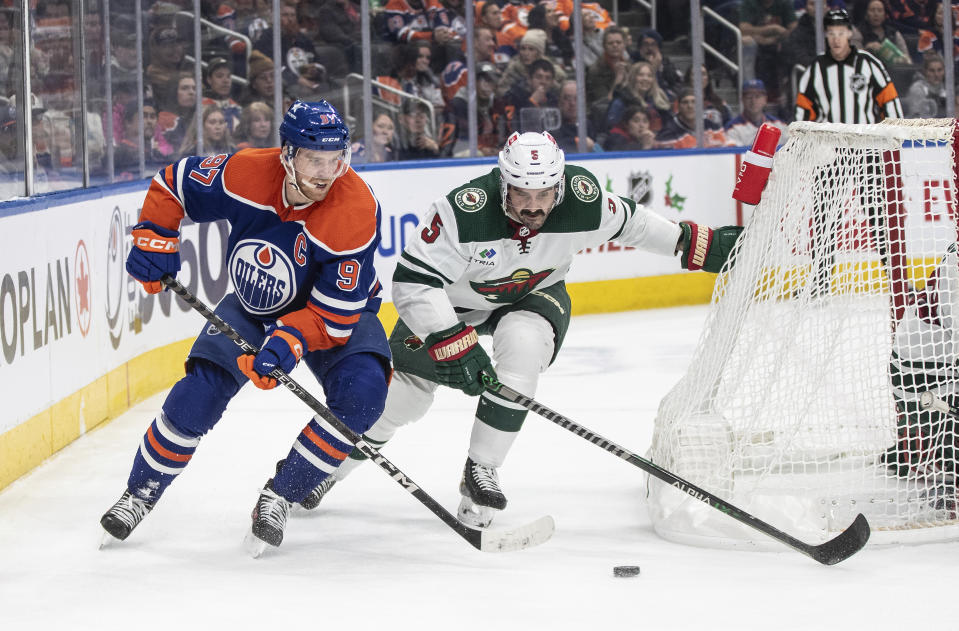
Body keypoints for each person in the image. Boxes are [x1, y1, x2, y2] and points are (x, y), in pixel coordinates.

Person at [292, 130, 743, 528]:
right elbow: (412, 284)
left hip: (532, 294)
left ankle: (480, 474)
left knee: (523, 349)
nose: (532, 206)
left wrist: (693, 245)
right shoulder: (463, 211)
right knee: (401, 400)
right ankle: (327, 472)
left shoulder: (582, 201)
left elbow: (636, 225)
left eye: (543, 194)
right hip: (453, 304)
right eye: (521, 193)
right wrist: (451, 342)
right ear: (503, 183)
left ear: (559, 186)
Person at [99, 100, 391, 552]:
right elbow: (174, 183)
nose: (326, 172)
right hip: (256, 303)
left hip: (335, 314)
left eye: (336, 160)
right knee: (200, 391)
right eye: (315, 159)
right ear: (288, 154)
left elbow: (331, 320)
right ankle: (140, 492)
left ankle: (281, 494)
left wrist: (288, 342)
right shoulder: (245, 173)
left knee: (364, 394)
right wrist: (156, 236)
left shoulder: (353, 208)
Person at [795, 10, 903, 296]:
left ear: (850, 33)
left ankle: (896, 280)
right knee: (823, 217)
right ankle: (820, 282)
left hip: (867, 150)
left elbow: (890, 105)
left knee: (879, 216)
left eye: (840, 32)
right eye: (830, 33)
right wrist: (805, 145)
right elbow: (803, 114)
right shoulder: (815, 70)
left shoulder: (870, 65)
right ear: (826, 35)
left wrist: (893, 140)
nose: (835, 39)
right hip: (831, 152)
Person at [883, 243, 959, 479]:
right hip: (923, 387)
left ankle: (927, 449)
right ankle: (935, 453)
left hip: (930, 375)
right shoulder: (955, 269)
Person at [655, 88, 734, 149]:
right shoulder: (668, 132)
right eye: (685, 102)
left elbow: (728, 147)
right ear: (678, 107)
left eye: (694, 102)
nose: (690, 106)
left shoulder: (711, 124)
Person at [724, 79, 788, 147]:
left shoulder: (779, 125)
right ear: (742, 99)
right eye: (749, 97)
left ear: (765, 99)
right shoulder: (732, 128)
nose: (753, 101)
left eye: (757, 96)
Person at [904, 52, 948, 117]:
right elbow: (916, 116)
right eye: (932, 71)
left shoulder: (949, 88)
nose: (936, 74)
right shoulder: (917, 89)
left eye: (939, 70)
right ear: (925, 71)